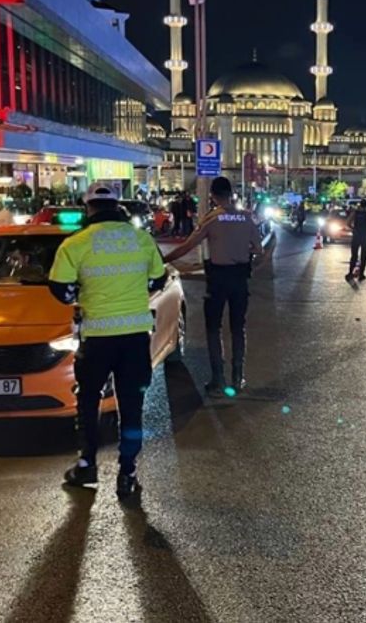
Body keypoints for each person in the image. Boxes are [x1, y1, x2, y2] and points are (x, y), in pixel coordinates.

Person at [48, 183, 167, 502]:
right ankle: (127, 473)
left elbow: (60, 289)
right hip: (134, 338)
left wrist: (80, 294)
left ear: (88, 207)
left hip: (96, 338)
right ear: (117, 206)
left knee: (89, 400)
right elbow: (158, 279)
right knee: (132, 405)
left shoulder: (76, 243)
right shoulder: (141, 239)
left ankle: (87, 464)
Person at [163, 176, 264, 394]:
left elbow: (188, 245)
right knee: (238, 328)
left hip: (218, 279)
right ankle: (238, 377)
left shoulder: (212, 219)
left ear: (213, 196)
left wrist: (163, 259)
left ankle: (218, 379)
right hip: (239, 279)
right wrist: (241, 252)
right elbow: (258, 249)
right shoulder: (246, 218)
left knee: (213, 328)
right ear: (231, 194)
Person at [346, 199, 366, 281]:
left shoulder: (355, 213)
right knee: (364, 256)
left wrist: (353, 229)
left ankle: (350, 273)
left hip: (356, 236)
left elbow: (348, 223)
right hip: (364, 237)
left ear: (360, 205)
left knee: (354, 256)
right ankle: (361, 274)